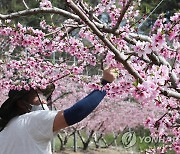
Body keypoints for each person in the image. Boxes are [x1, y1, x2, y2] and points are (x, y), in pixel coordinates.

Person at [0, 68, 116, 154]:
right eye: (38, 96)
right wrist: (105, 84)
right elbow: (75, 113)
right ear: (22, 103)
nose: (44, 101)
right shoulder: (30, 121)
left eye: (45, 97)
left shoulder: (6, 129)